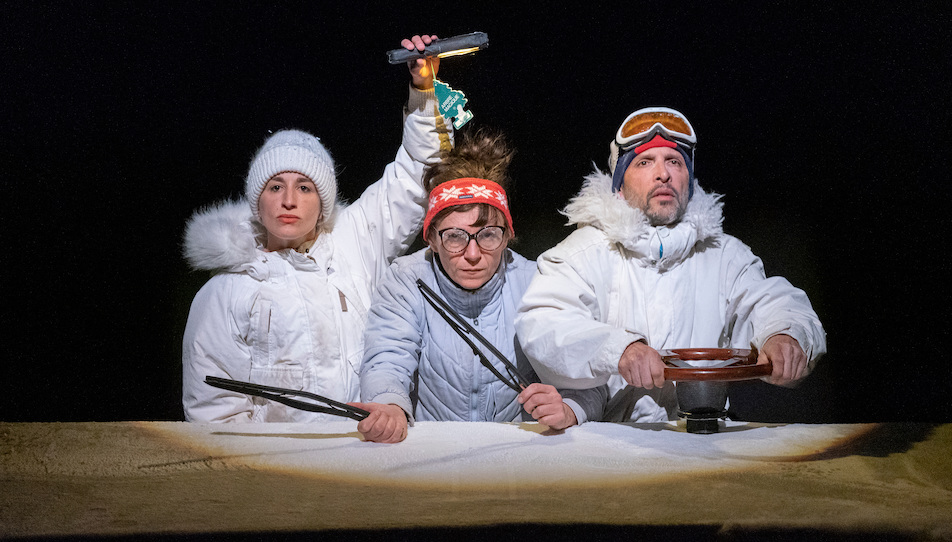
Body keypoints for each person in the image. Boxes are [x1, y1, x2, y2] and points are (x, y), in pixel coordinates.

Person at [181, 35, 454, 422]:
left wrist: (424, 89)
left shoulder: (354, 243)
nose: (289, 200)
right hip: (283, 475)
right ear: (257, 201)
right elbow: (213, 411)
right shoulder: (224, 293)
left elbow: (417, 173)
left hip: (374, 456)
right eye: (276, 186)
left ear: (323, 201)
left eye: (304, 187)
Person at [514, 107, 827, 423]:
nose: (663, 173)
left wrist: (785, 334)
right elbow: (544, 321)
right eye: (645, 162)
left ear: (689, 180)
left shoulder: (725, 256)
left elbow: (772, 301)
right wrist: (618, 350)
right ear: (619, 186)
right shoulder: (580, 255)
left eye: (674, 162)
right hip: (608, 445)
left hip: (701, 440)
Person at [353, 128, 607, 443]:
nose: (473, 254)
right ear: (431, 238)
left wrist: (569, 409)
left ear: (507, 235)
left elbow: (589, 378)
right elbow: (388, 356)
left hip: (516, 458)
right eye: (455, 236)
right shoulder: (407, 279)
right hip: (433, 454)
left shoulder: (538, 282)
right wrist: (388, 405)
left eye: (488, 234)